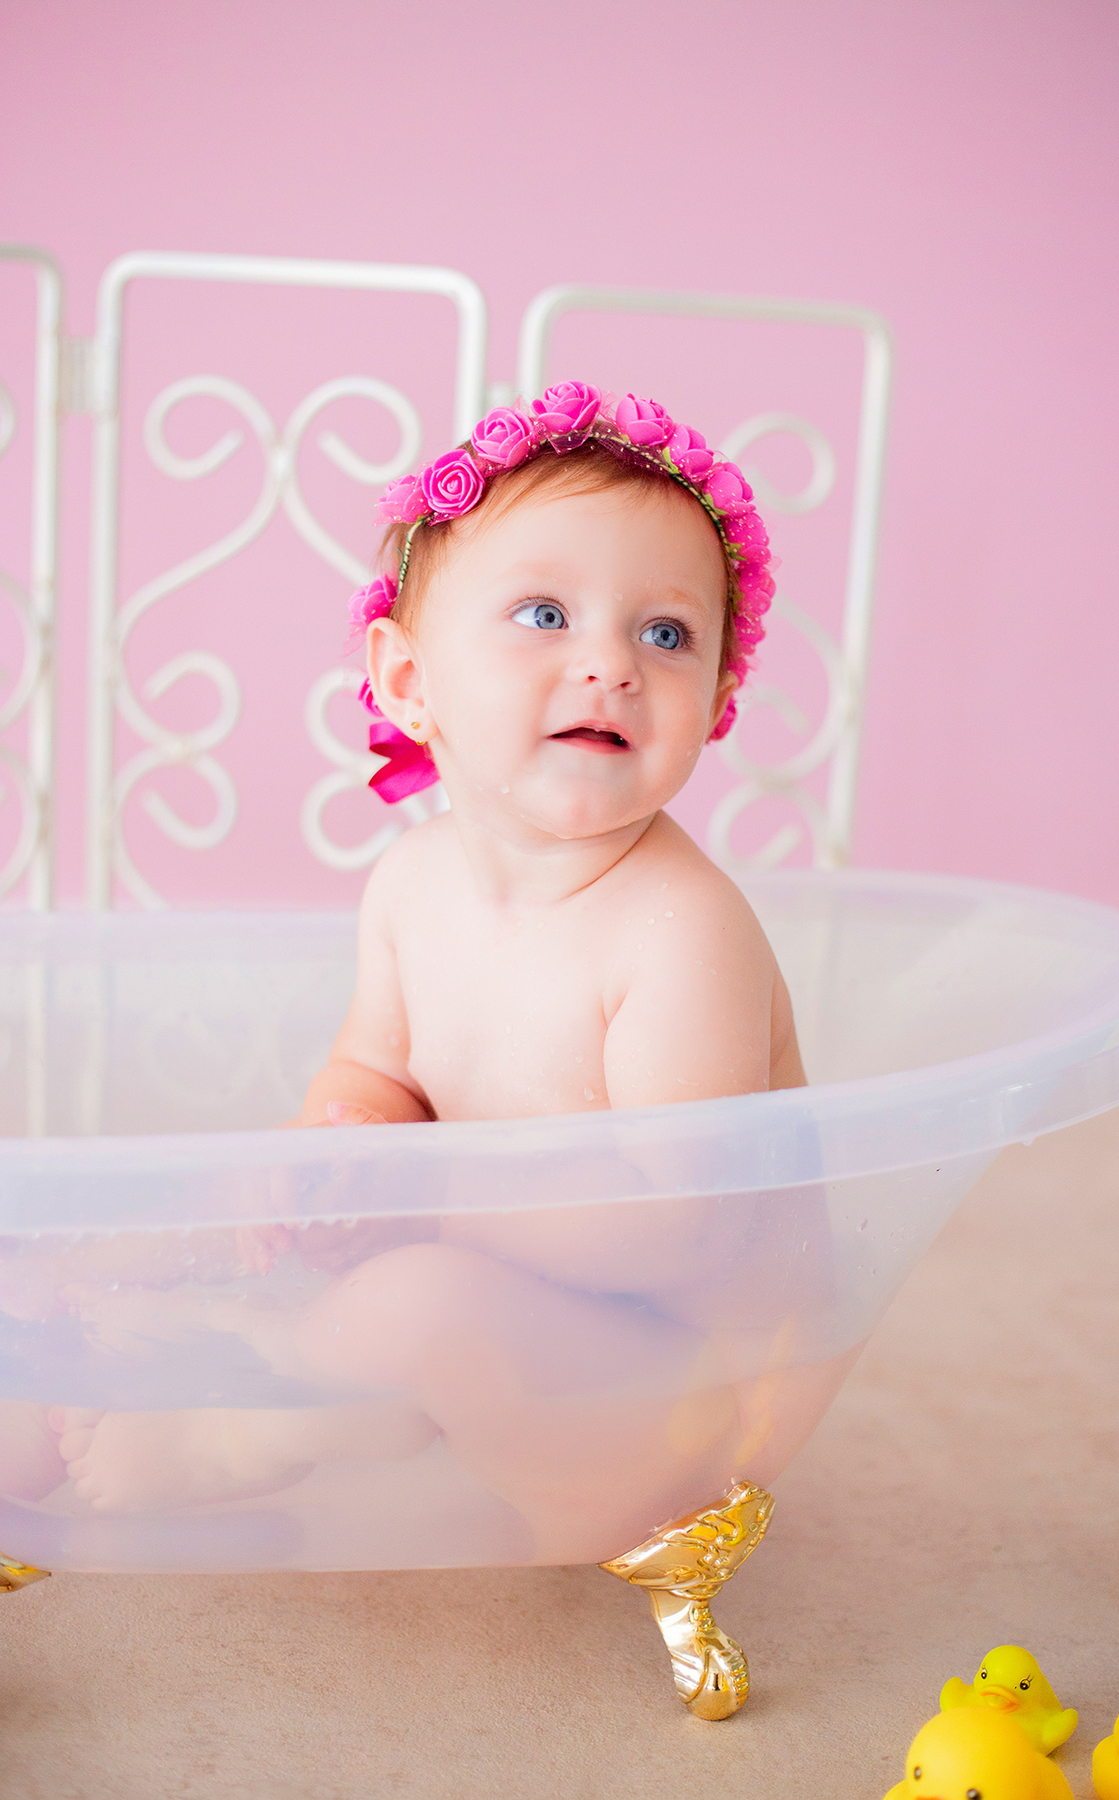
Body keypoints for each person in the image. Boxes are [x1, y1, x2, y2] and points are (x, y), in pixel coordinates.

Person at [37, 385, 853, 1563]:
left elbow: (681, 1232)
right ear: (408, 680)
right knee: (241, 1196)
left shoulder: (682, 932)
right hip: (521, 1307)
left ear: (721, 700)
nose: (610, 666)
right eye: (543, 613)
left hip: (680, 1393)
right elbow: (378, 1068)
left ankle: (239, 1440)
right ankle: (156, 1322)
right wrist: (339, 1146)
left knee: (410, 1300)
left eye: (665, 633)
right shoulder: (412, 885)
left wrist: (418, 1198)